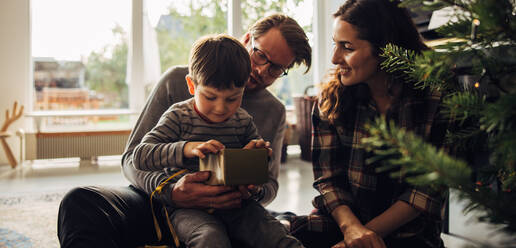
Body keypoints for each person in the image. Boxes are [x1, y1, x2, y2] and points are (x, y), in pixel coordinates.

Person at [58, 14, 311, 248]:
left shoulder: (273, 111)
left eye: (276, 68)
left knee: (270, 233)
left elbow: (270, 185)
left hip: (233, 211)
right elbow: (132, 160)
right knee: (80, 202)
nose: (262, 70)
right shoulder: (178, 81)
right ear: (247, 39)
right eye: (261, 56)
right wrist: (174, 193)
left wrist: (252, 189)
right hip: (158, 203)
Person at [280, 1, 448, 248]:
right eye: (335, 45)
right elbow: (328, 180)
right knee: (273, 234)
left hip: (409, 236)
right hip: (340, 224)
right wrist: (351, 229)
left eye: (347, 47)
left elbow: (427, 191)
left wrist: (360, 239)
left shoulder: (437, 97)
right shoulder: (330, 100)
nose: (335, 58)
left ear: (385, 50)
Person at [131, 34, 303, 248]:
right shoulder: (178, 116)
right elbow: (140, 156)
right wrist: (186, 149)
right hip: (187, 209)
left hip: (236, 205)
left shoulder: (242, 120)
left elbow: (264, 174)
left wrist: (256, 157)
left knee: (274, 233)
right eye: (210, 97)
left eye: (233, 98)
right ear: (192, 86)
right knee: (210, 237)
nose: (221, 108)